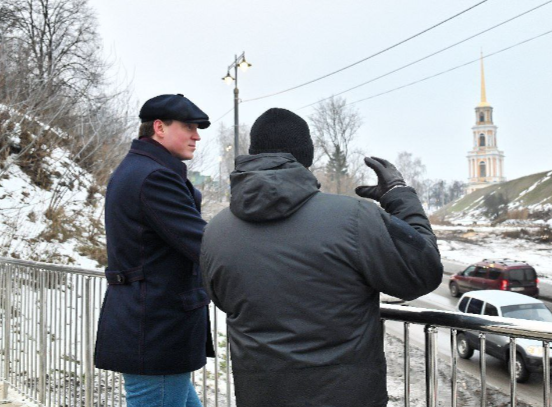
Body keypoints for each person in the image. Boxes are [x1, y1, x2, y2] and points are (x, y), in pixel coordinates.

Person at [200, 108, 443, 407]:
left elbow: (224, 299)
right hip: (346, 395)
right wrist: (399, 195)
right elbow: (422, 272)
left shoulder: (216, 231)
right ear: (307, 156)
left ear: (253, 153)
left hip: (260, 395)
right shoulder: (354, 218)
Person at [95, 94, 215, 407]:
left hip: (152, 326)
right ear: (159, 127)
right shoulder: (155, 177)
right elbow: (204, 245)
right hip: (156, 330)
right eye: (188, 126)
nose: (196, 135)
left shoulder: (141, 169)